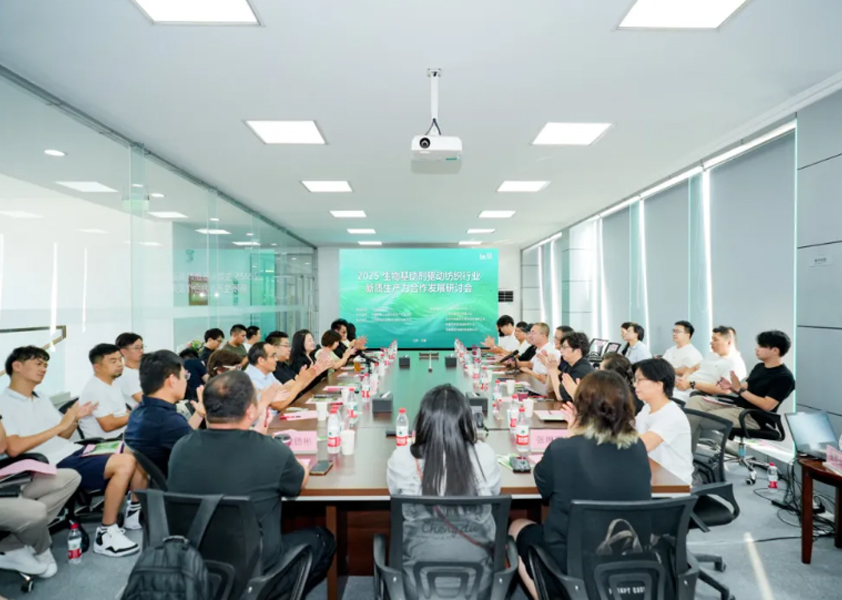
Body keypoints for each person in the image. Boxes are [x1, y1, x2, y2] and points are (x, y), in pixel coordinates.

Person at [168, 371, 335, 595]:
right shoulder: (271, 450)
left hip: (194, 561)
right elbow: (299, 481)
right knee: (323, 539)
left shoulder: (181, 447)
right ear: (251, 411)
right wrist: (304, 464)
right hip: (254, 568)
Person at [509, 371, 651, 599]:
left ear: (580, 407)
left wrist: (572, 434)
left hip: (571, 565)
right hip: (626, 560)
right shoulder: (638, 447)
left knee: (517, 526)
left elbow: (544, 489)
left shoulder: (563, 449)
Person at [1, 346, 141, 557]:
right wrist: (60, 426)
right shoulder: (4, 403)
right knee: (124, 463)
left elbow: (63, 436)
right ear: (17, 366)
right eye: (38, 364)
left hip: (72, 450)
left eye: (45, 365)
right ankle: (106, 533)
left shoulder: (40, 397)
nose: (44, 369)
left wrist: (74, 419)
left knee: (133, 450)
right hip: (49, 462)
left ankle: (132, 512)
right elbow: (14, 448)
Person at [387, 384, 502, 596]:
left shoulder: (401, 458)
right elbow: (494, 496)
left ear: (423, 422)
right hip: (478, 578)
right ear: (466, 422)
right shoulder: (485, 455)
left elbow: (395, 493)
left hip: (416, 578)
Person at [686, 330, 795, 448]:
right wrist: (732, 387)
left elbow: (767, 405)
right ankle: (684, 451)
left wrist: (739, 389)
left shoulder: (784, 377)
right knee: (695, 400)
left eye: (761, 346)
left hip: (752, 417)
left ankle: (686, 454)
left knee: (698, 418)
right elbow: (744, 389)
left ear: (775, 351)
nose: (756, 349)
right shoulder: (759, 367)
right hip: (737, 407)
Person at [0, 419, 80, 578]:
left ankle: (13, 544)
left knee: (70, 478)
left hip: (5, 479)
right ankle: (38, 547)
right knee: (36, 511)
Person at [124, 350, 204, 476]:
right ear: (172, 380)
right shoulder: (168, 421)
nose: (186, 382)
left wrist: (199, 414)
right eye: (185, 377)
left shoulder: (138, 412)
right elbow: (204, 456)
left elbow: (181, 436)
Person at [633, 359, 694, 484]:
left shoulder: (671, 415)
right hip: (652, 472)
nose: (634, 385)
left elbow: (642, 445)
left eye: (639, 380)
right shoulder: (647, 408)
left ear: (658, 385)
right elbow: (629, 427)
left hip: (673, 485)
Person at [674, 326, 747, 402]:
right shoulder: (712, 355)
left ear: (729, 342)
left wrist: (690, 384)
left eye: (715, 340)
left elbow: (723, 390)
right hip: (683, 388)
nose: (711, 342)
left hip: (697, 396)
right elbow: (694, 367)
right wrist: (683, 378)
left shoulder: (735, 364)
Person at [78, 343, 131, 440]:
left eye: (120, 359)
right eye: (113, 361)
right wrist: (136, 415)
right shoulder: (95, 390)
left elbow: (122, 411)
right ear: (97, 367)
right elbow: (108, 425)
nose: (120, 364)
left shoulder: (113, 381)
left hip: (123, 434)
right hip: (107, 442)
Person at [542, 332, 594, 402]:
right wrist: (550, 369)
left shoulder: (582, 370)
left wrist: (553, 369)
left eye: (564, 347)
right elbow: (550, 389)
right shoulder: (569, 365)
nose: (561, 351)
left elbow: (560, 396)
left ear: (577, 351)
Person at [115, 332, 144, 409]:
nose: (141, 351)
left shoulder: (142, 370)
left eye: (142, 347)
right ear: (123, 352)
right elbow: (145, 400)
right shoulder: (126, 375)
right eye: (137, 348)